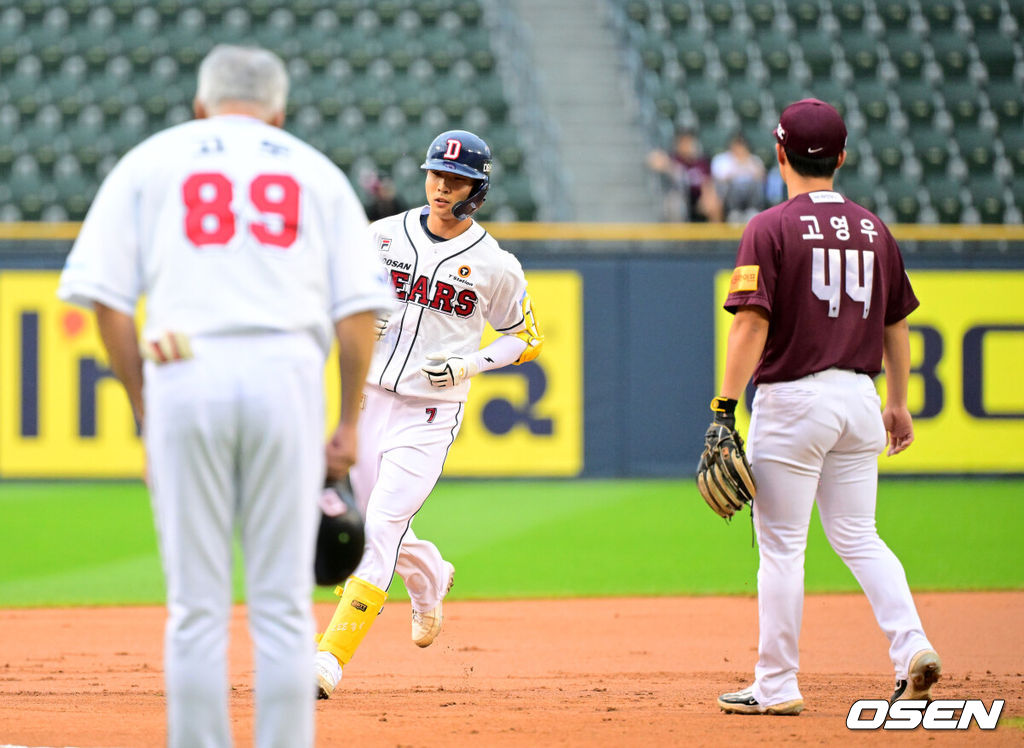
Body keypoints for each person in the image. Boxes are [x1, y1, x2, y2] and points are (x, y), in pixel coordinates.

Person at [56, 44, 394, 747]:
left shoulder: (152, 159)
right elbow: (357, 313)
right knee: (281, 605)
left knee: (196, 609)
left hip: (187, 371)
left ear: (200, 103)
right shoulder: (314, 169)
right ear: (279, 108)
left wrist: (148, 407)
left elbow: (107, 302)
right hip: (288, 374)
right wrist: (345, 420)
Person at [712, 99, 941, 715]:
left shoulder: (770, 225)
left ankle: (777, 685)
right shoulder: (874, 227)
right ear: (842, 157)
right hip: (860, 399)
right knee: (859, 535)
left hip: (792, 401)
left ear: (780, 153)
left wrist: (722, 409)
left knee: (783, 547)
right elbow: (896, 324)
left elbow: (750, 325)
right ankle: (911, 645)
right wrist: (898, 402)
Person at [314, 128, 544, 699]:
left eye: (457, 179)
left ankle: (327, 662)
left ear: (478, 190)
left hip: (430, 413)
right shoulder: (383, 236)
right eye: (437, 174)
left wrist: (470, 365)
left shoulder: (496, 265)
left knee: (380, 528)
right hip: (365, 401)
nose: (442, 186)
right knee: (375, 521)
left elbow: (525, 338)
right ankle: (430, 576)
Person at [646, 129, 722, 222]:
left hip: (698, 198)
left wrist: (707, 197)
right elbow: (653, 160)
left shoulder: (701, 162)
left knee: (713, 203)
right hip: (680, 197)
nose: (687, 146)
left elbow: (707, 183)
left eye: (689, 143)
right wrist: (671, 167)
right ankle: (679, 236)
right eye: (684, 143)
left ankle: (715, 235)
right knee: (676, 204)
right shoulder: (674, 159)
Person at [710, 132, 766, 222]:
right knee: (730, 184)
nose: (739, 148)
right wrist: (737, 164)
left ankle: (752, 210)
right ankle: (733, 212)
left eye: (741, 145)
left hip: (750, 197)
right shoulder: (722, 159)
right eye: (737, 144)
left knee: (755, 183)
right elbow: (720, 178)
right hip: (730, 199)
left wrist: (745, 161)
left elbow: (761, 176)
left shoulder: (754, 159)